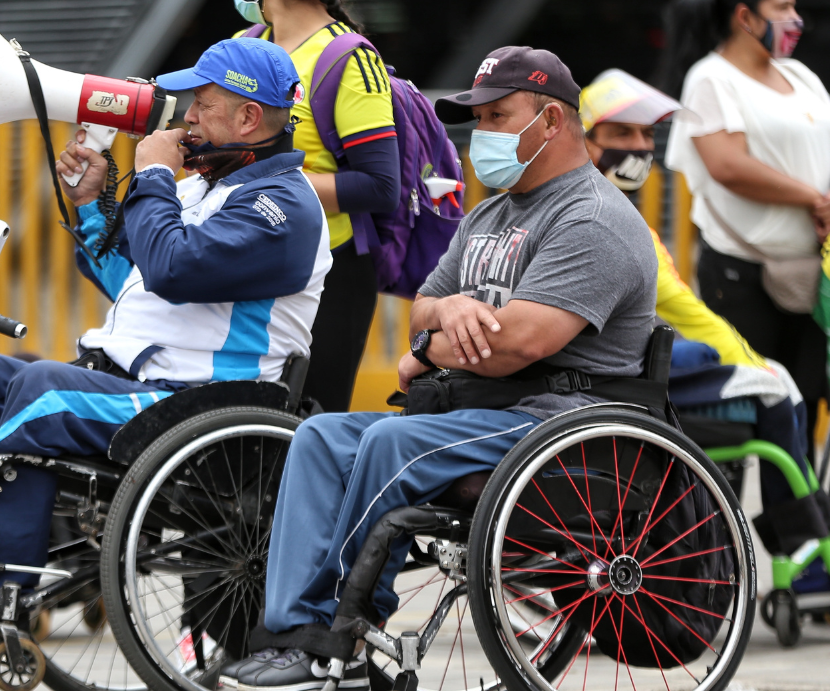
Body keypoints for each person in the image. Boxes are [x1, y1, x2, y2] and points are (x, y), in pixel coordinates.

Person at [0, 38, 332, 630]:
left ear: (249, 118)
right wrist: (89, 204)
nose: (187, 118)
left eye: (203, 106)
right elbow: (134, 280)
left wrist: (152, 172)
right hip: (147, 386)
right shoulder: (206, 189)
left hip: (199, 401)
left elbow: (172, 268)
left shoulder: (282, 207)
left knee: (39, 392)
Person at [222, 47, 658, 691]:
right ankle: (293, 633)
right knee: (320, 436)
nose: (481, 133)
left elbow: (519, 344)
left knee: (389, 442)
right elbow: (423, 307)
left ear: (550, 121)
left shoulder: (592, 218)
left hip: (557, 425)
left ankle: (337, 639)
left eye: (496, 116)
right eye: (477, 119)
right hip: (480, 409)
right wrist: (445, 317)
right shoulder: (488, 214)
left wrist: (426, 349)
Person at [581, 69, 824, 555]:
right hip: (620, 380)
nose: (639, 146)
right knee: (778, 393)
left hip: (611, 374)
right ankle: (801, 547)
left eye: (646, 134)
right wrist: (751, 363)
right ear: (582, 140)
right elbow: (686, 313)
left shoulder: (600, 210)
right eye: (622, 133)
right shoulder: (614, 221)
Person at [660, 0, 830, 468]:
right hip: (742, 273)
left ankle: (799, 514)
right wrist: (813, 199)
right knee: (746, 403)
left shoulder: (799, 75)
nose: (796, 19)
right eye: (783, 7)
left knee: (805, 401)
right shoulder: (711, 79)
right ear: (745, 16)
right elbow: (727, 165)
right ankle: (729, 511)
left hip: (811, 270)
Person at [233, 0, 400, 412]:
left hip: (327, 275)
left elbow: (380, 185)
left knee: (310, 427)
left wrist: (268, 183)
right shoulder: (244, 46)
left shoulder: (349, 59)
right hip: (243, 258)